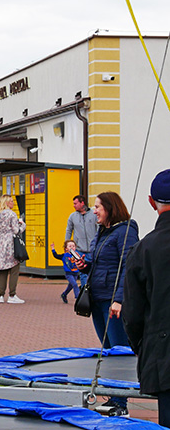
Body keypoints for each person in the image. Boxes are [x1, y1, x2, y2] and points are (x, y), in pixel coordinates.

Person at [74, 191, 138, 417]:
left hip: (113, 302)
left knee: (119, 351)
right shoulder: (103, 232)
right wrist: (85, 266)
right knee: (108, 351)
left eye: (98, 206)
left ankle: (121, 403)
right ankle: (114, 397)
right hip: (98, 299)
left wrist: (119, 299)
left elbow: (127, 268)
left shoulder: (126, 231)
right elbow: (100, 263)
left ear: (110, 208)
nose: (94, 211)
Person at [124, 169, 170, 426]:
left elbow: (132, 314)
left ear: (152, 202)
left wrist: (143, 347)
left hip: (165, 356)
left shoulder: (143, 249)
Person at [0, 195, 26, 304]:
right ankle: (12, 295)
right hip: (10, 243)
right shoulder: (11, 214)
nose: (13, 203)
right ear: (6, 203)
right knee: (14, 268)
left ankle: (0, 295)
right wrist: (23, 226)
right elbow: (16, 231)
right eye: (11, 201)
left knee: (3, 269)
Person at [65, 195, 97, 286]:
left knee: (93, 271)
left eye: (75, 203)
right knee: (82, 273)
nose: (74, 205)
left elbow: (99, 229)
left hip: (92, 249)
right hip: (79, 250)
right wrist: (67, 244)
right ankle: (84, 292)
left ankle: (92, 290)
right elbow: (68, 230)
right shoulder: (72, 216)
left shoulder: (93, 214)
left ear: (82, 203)